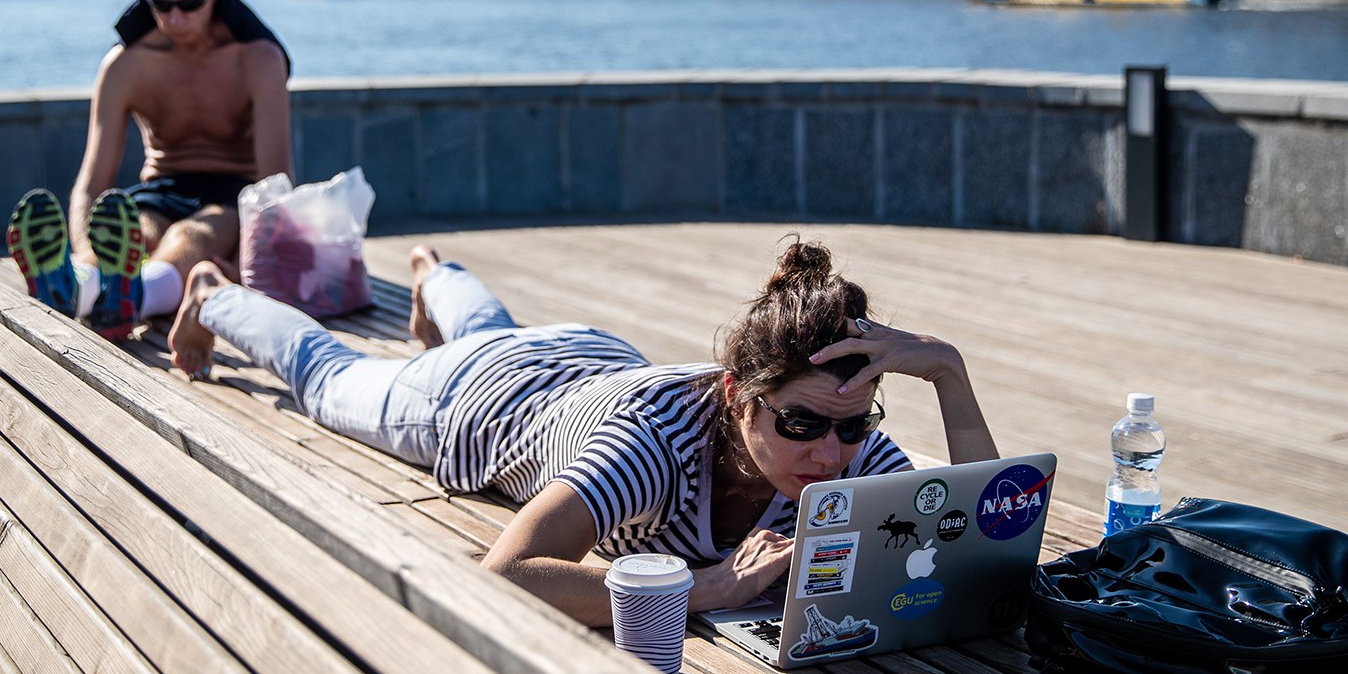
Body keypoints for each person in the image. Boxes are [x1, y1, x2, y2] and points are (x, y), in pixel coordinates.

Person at [167, 239, 999, 627]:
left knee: (492, 324)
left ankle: (435, 273)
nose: (830, 453)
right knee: (327, 376)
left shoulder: (841, 450)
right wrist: (702, 589)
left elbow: (987, 542)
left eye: (852, 428)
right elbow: (508, 575)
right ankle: (212, 295)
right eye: (802, 423)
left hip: (589, 357)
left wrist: (951, 370)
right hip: (472, 398)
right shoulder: (654, 445)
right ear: (738, 396)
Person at [6, 0, 293, 341]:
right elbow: (93, 181)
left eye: (190, 3)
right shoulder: (124, 66)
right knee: (137, 230)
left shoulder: (259, 60)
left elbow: (274, 185)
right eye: (161, 4)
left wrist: (250, 261)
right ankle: (78, 284)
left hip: (233, 193)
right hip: (160, 187)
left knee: (189, 236)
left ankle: (112, 297)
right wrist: (85, 247)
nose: (175, 17)